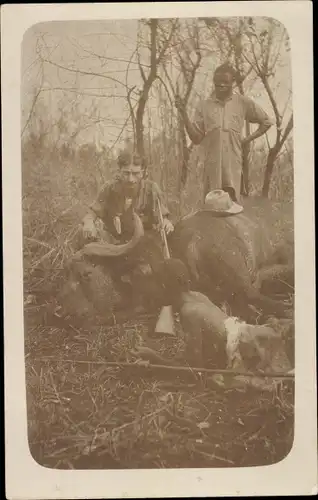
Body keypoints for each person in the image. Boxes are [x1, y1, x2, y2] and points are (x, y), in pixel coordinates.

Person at [175, 62, 273, 203]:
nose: (220, 85)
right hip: (213, 168)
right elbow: (196, 138)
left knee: (234, 208)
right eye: (217, 82)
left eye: (225, 82)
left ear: (233, 82)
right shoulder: (205, 106)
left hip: (234, 168)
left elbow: (266, 122)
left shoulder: (242, 102)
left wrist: (246, 140)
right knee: (212, 208)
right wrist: (184, 114)